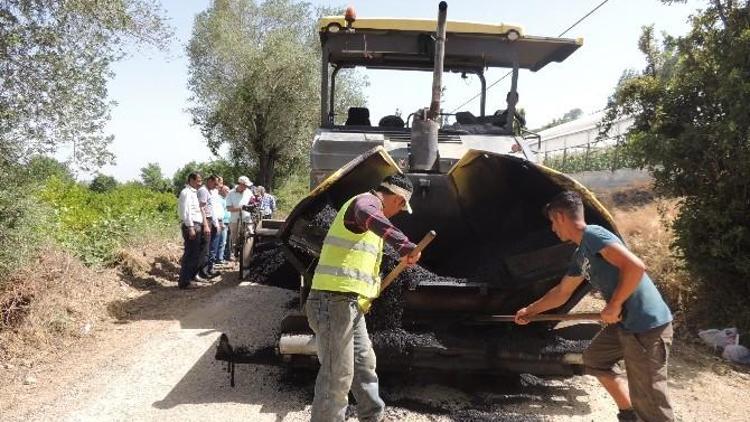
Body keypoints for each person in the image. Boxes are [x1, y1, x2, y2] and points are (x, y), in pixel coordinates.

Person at [514, 191, 674, 422]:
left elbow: (636, 267)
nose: (552, 229)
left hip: (646, 325)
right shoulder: (581, 254)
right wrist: (531, 310)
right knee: (595, 359)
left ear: (559, 217)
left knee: (650, 397)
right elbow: (562, 292)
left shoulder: (594, 235)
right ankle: (630, 414)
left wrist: (615, 304)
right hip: (625, 324)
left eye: (551, 222)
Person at [305, 173, 422, 422]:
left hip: (349, 305)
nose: (398, 213)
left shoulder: (370, 223)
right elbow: (365, 211)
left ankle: (372, 417)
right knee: (338, 376)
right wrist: (403, 244)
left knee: (364, 365)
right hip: (331, 301)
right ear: (399, 200)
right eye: (401, 207)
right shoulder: (365, 203)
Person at [177, 172, 210, 289]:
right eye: (198, 180)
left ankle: (190, 279)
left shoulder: (194, 193)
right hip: (191, 226)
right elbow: (186, 212)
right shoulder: (186, 193)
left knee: (195, 254)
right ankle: (184, 282)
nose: (200, 182)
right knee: (190, 254)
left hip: (197, 225)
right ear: (191, 180)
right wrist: (190, 227)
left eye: (201, 180)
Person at [197, 175, 221, 279]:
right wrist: (206, 224)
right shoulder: (203, 191)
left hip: (211, 220)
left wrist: (215, 223)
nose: (216, 186)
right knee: (205, 249)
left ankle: (207, 270)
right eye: (215, 184)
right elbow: (201, 208)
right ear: (209, 181)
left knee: (209, 248)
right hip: (206, 220)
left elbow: (211, 208)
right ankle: (202, 272)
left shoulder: (209, 191)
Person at [225, 176, 253, 260]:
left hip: (247, 218)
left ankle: (248, 254)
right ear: (240, 184)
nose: (246, 188)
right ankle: (235, 254)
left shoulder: (248, 192)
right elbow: (229, 208)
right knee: (234, 238)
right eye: (245, 186)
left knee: (250, 234)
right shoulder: (231, 193)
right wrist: (240, 208)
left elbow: (252, 202)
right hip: (234, 220)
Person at [216, 185, 231, 266]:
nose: (228, 192)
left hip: (228, 222)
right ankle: (219, 258)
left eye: (228, 190)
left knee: (226, 241)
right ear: (221, 191)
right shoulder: (219, 199)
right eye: (226, 190)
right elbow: (220, 212)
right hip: (223, 222)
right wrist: (221, 222)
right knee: (222, 241)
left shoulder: (226, 199)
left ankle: (223, 256)